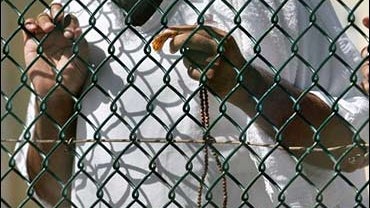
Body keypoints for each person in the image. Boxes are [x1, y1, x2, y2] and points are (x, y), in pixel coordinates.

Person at [15, 0, 369, 207]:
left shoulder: (273, 6)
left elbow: (351, 150)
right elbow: (49, 189)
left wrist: (247, 85)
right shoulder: (75, 17)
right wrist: (56, 100)